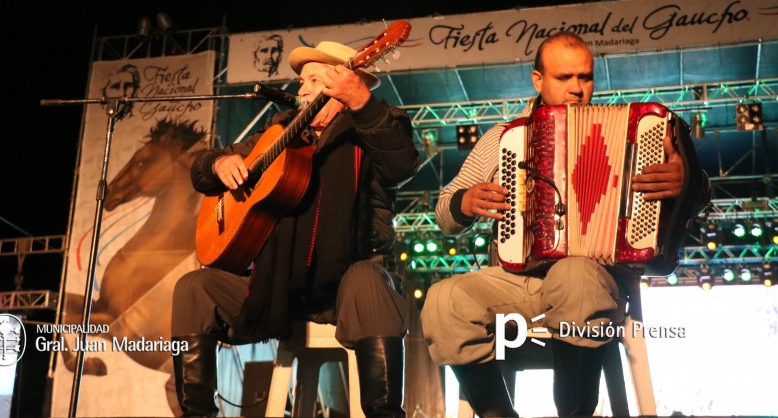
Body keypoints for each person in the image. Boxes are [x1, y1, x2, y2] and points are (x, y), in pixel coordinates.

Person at [421, 32, 711, 417]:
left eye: (585, 77)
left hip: (596, 278)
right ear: (538, 80)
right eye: (564, 78)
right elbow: (444, 213)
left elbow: (702, 199)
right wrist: (465, 201)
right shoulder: (503, 137)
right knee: (444, 300)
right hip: (518, 283)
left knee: (573, 277)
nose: (577, 89)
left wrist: (688, 182)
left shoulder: (635, 133)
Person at [171, 41, 419, 417]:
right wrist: (219, 163)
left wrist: (364, 105)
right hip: (276, 289)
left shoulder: (376, 126)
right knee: (193, 288)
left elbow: (401, 165)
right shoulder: (279, 132)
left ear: (341, 85)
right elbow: (201, 168)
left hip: (346, 288)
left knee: (370, 281)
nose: (300, 90)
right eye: (301, 81)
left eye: (313, 80)